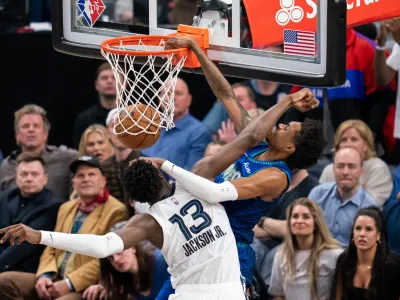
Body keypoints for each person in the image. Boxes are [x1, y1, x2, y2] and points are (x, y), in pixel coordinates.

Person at [0, 87, 320, 300]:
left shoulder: (150, 223)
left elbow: (101, 246)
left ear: (137, 200)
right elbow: (249, 138)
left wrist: (38, 235)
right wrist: (168, 163)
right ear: (160, 174)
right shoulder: (201, 185)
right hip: (226, 288)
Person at [163, 36, 326, 286]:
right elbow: (224, 92)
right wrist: (196, 49)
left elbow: (217, 192)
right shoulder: (260, 144)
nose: (280, 124)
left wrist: (288, 100)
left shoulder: (276, 176)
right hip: (202, 238)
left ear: (291, 147)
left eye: (286, 128)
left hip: (230, 249)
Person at [269, 198, 342, 300]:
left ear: (316, 223)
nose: (299, 221)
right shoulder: (281, 255)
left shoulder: (335, 254)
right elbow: (278, 294)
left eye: (306, 217)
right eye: (295, 216)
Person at [83, 222, 170, 300]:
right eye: (110, 258)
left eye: (118, 252)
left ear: (133, 247)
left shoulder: (162, 262)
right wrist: (104, 287)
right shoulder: (126, 280)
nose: (116, 259)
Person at [331, 206, 400, 300]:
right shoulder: (344, 261)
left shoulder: (393, 265)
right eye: (358, 228)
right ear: (353, 233)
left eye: (368, 229)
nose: (362, 234)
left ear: (378, 236)